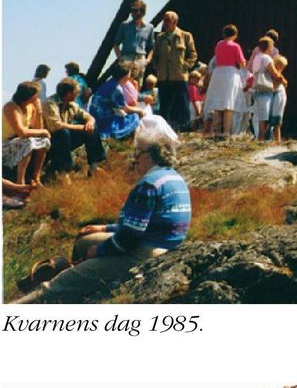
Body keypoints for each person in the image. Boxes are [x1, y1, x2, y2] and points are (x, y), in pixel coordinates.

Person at [17, 122, 192, 304]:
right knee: (84, 241)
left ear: (152, 155)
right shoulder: (173, 178)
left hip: (144, 251)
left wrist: (99, 251)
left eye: (139, 153)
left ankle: (32, 302)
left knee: (59, 283)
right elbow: (144, 224)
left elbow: (129, 239)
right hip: (162, 243)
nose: (135, 158)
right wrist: (105, 227)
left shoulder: (149, 184)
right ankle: (83, 280)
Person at [42, 77, 106, 175]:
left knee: (92, 128)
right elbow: (56, 126)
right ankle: (64, 171)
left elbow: (87, 116)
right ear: (68, 93)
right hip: (50, 141)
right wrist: (82, 127)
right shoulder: (50, 103)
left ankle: (94, 165)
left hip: (65, 139)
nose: (78, 93)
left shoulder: (72, 104)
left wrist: (90, 122)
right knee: (62, 133)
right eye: (76, 91)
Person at [149, 10, 198, 133]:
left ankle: (183, 127)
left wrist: (185, 66)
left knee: (182, 103)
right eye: (164, 20)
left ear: (175, 22)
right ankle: (165, 129)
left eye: (168, 21)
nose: (165, 23)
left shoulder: (185, 36)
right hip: (164, 77)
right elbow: (155, 56)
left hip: (179, 77)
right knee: (165, 104)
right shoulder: (160, 38)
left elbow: (192, 54)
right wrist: (157, 67)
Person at [203, 25, 248, 136]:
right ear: (235, 35)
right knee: (229, 104)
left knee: (218, 104)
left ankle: (217, 131)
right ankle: (227, 132)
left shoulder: (219, 45)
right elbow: (242, 63)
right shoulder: (235, 46)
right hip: (230, 74)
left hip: (218, 74)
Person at [2, 82, 49, 184]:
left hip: (18, 142)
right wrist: (43, 131)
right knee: (28, 142)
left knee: (44, 141)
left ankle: (36, 177)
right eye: (37, 94)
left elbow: (38, 129)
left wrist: (39, 112)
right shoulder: (11, 107)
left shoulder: (30, 107)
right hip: (5, 144)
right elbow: (21, 132)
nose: (38, 97)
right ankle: (20, 181)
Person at [90, 65, 142, 141]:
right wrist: (140, 110)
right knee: (134, 117)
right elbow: (125, 108)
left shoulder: (108, 83)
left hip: (95, 115)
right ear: (125, 75)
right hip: (104, 119)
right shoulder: (117, 89)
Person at [112, 0, 155, 74]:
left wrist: (147, 60)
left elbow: (152, 47)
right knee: (124, 82)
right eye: (131, 11)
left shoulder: (149, 27)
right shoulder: (124, 25)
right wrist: (120, 58)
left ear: (142, 12)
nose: (132, 13)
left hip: (140, 59)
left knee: (138, 84)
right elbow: (116, 44)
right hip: (126, 58)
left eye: (135, 10)